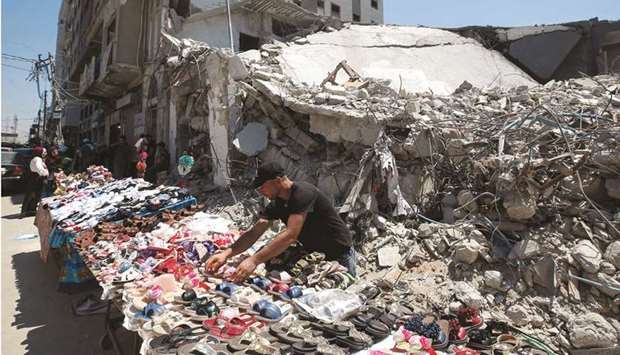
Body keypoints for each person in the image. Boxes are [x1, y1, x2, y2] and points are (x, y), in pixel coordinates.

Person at [205, 162, 356, 282]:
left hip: (338, 253)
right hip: (316, 253)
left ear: (277, 181)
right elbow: (255, 232)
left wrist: (254, 260)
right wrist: (226, 254)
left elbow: (291, 235)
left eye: (262, 186)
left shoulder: (303, 193)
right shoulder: (278, 203)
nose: (261, 191)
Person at [21, 146, 49, 217]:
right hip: (36, 179)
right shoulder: (37, 159)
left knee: (35, 195)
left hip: (36, 178)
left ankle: (31, 210)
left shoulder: (39, 159)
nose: (45, 153)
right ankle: (26, 211)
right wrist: (45, 173)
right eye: (44, 152)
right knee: (31, 194)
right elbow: (39, 169)